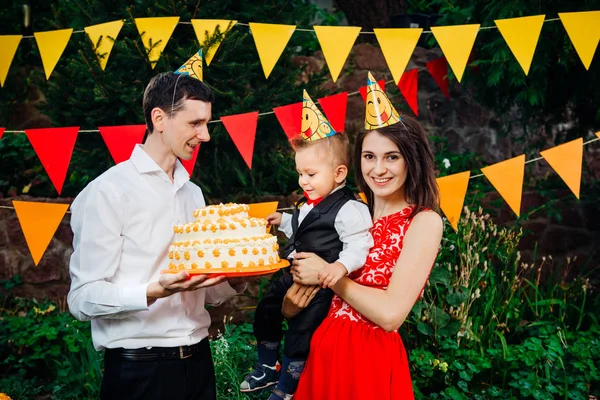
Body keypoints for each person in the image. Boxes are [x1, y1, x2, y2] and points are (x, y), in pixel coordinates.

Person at [67, 57, 248, 400]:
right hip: (140, 372)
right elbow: (81, 299)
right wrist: (152, 290)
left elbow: (203, 290)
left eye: (207, 123)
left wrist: (233, 278)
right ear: (159, 118)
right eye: (196, 123)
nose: (205, 135)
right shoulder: (108, 191)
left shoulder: (193, 193)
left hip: (198, 362)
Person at [288, 73, 443, 399]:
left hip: (368, 361)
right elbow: (308, 290)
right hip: (324, 349)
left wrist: (328, 277)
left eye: (392, 157)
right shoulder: (351, 213)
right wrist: (290, 304)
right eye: (369, 156)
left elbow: (390, 315)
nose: (379, 168)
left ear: (410, 161)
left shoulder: (423, 221)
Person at [240, 91, 373, 400]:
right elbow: (302, 228)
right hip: (292, 271)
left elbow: (358, 245)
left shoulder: (351, 209)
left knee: (301, 332)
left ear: (339, 173)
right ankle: (266, 365)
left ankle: (288, 385)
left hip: (320, 284)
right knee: (266, 310)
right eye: (300, 173)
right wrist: (283, 221)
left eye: (311, 174)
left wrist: (338, 267)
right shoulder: (307, 203)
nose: (303, 180)